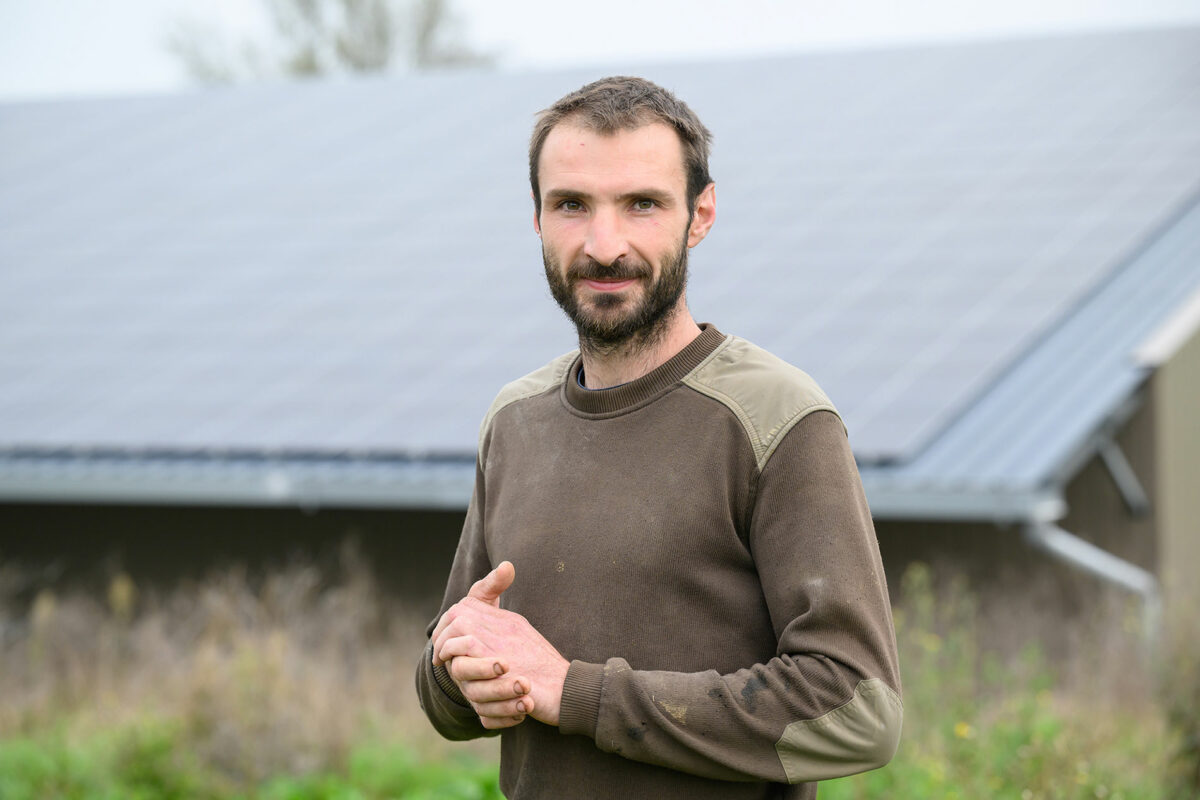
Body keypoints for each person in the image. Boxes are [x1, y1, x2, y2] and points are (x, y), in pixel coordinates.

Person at [415, 75, 902, 800]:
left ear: (699, 215)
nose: (603, 245)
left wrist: (576, 694)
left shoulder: (777, 418)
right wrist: (457, 676)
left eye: (642, 204)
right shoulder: (515, 420)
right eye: (572, 205)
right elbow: (453, 672)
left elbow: (858, 711)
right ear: (537, 217)